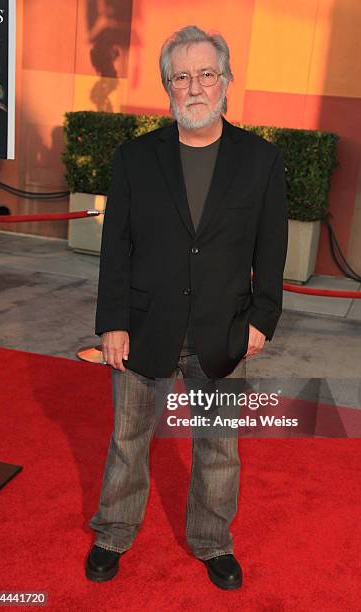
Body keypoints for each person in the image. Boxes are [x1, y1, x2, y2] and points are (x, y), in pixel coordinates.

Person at [86, 24, 288, 590]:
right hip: (144, 324)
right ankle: (113, 533)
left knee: (219, 446)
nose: (194, 87)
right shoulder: (134, 158)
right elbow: (116, 246)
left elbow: (271, 249)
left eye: (206, 74)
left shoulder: (261, 161)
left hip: (224, 328)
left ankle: (211, 542)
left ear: (226, 81)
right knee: (129, 438)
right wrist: (112, 323)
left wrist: (262, 321)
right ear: (167, 87)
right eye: (182, 77)